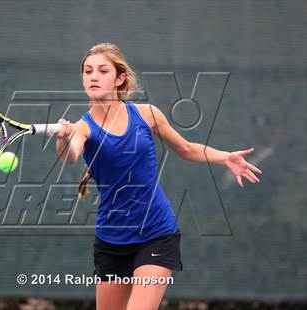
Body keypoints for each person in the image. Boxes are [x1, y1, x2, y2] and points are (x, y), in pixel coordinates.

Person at [52, 43, 262, 310]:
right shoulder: (82, 127)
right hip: (111, 239)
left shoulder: (148, 114)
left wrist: (224, 157)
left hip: (156, 233)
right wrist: (63, 139)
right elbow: (71, 156)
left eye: (102, 70)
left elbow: (185, 149)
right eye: (87, 71)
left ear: (120, 78)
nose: (93, 76)